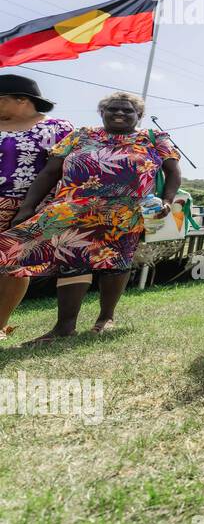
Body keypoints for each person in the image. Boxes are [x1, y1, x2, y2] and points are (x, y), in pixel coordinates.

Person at [0, 91, 179, 344]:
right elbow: (51, 171)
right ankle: (64, 326)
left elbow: (173, 172)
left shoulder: (153, 137)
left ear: (138, 115)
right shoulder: (81, 135)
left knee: (116, 261)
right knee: (71, 260)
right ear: (101, 113)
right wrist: (28, 207)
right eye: (112, 109)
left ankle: (106, 318)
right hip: (74, 209)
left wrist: (168, 201)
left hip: (125, 212)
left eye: (127, 110)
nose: (119, 113)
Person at [0, 76, 73, 337]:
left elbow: (65, 168)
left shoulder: (57, 127)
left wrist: (41, 208)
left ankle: (0, 324)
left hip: (29, 207)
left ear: (23, 100)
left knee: (13, 265)